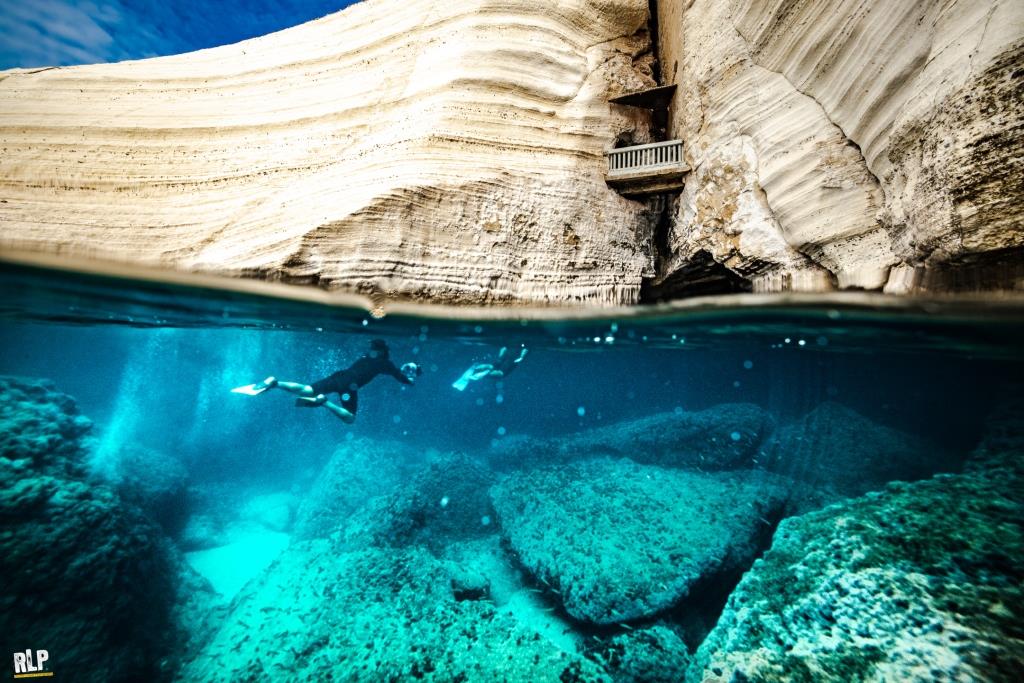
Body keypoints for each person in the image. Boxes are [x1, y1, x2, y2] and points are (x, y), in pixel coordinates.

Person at [232, 339, 420, 423]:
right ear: (383, 352)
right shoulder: (385, 363)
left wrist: (404, 371)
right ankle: (325, 403)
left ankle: (275, 383)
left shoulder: (366, 357)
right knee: (350, 418)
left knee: (306, 389)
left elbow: (395, 372)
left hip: (339, 375)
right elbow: (402, 378)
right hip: (349, 386)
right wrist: (410, 376)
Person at [452, 344, 528, 391]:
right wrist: (522, 356)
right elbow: (524, 350)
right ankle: (476, 372)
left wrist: (501, 354)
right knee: (498, 371)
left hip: (507, 358)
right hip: (511, 359)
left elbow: (504, 349)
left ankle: (476, 371)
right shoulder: (521, 345)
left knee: (493, 367)